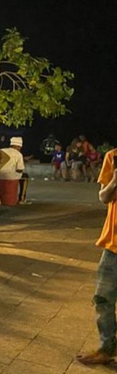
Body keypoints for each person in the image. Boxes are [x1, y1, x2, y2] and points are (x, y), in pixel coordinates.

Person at [77, 147, 117, 365]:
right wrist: (115, 181)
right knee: (103, 299)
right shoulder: (113, 157)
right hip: (113, 246)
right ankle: (106, 347)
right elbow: (103, 196)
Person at [0, 137, 27, 204]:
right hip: (11, 177)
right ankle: (22, 198)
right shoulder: (18, 154)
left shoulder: (1, 151)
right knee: (25, 177)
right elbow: (20, 169)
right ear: (19, 146)